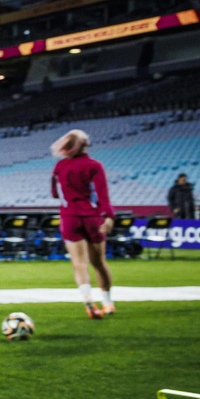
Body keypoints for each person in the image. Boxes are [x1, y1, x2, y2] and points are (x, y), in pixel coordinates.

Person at [51, 128, 117, 318]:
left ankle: (88, 299)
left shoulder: (59, 167)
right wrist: (109, 216)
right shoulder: (94, 166)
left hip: (69, 217)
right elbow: (102, 194)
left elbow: (55, 194)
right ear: (86, 145)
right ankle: (108, 302)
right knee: (99, 262)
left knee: (79, 264)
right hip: (92, 217)